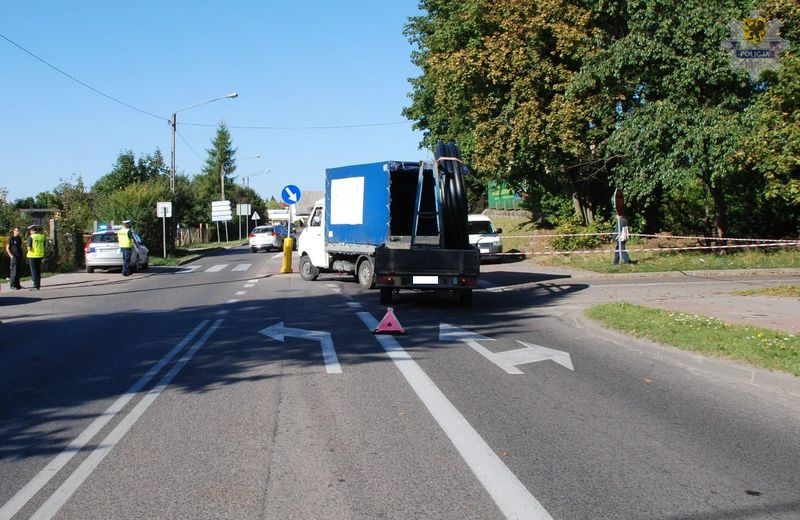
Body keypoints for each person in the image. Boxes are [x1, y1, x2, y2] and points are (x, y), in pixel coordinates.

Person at [27, 224, 46, 290]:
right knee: (38, 271)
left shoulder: (31, 237)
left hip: (32, 256)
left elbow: (29, 248)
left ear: (31, 231)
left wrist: (27, 248)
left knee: (34, 271)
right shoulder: (42, 237)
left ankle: (35, 286)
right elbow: (44, 246)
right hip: (40, 255)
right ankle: (38, 285)